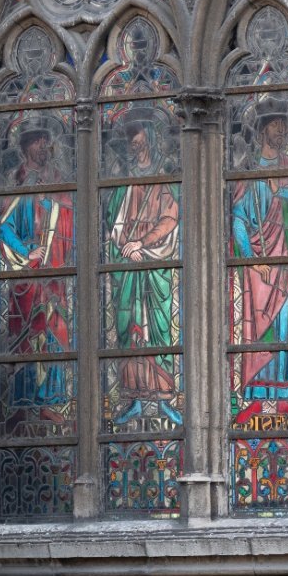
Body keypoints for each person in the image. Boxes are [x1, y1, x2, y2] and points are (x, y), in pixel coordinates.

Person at [230, 98, 288, 425]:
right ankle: (258, 396)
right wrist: (251, 259)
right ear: (264, 131)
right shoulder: (248, 173)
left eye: (286, 128)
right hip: (260, 268)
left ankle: (287, 396)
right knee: (260, 331)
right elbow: (238, 219)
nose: (283, 133)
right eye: (278, 128)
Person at [0, 117, 75, 429]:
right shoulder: (17, 181)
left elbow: (71, 214)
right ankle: (22, 401)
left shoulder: (57, 178)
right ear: (26, 146)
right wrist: (26, 252)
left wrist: (54, 204)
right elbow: (5, 226)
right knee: (26, 337)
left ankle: (48, 402)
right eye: (38, 141)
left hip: (54, 273)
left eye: (46, 140)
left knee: (53, 334)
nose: (44, 146)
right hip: (26, 275)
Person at [104, 111, 182, 426]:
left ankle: (163, 397)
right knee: (128, 330)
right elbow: (114, 221)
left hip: (155, 263)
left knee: (160, 329)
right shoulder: (123, 181)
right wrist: (125, 245)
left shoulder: (164, 177)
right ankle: (132, 397)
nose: (132, 146)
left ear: (148, 137)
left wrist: (144, 244)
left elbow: (170, 218)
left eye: (135, 138)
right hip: (127, 266)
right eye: (128, 140)